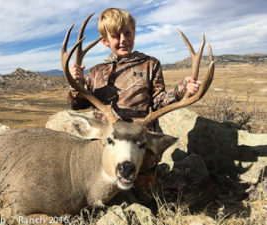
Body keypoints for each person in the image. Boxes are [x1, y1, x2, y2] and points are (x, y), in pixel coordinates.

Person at [67, 7, 200, 203]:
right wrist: (76, 85)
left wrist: (182, 90)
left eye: (127, 33)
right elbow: (75, 105)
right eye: (115, 35)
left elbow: (158, 100)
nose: (122, 39)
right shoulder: (96, 72)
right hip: (107, 152)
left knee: (144, 202)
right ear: (105, 41)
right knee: (101, 200)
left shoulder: (150, 64)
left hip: (140, 150)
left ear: (134, 33)